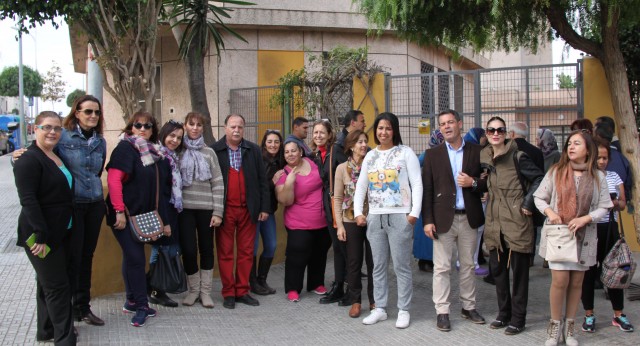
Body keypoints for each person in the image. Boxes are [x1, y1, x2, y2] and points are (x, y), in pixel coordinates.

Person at [13, 96, 108, 327]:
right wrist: (17, 157)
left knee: (86, 258)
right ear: (76, 113)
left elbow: (96, 172)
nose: (92, 116)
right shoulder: (62, 136)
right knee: (67, 263)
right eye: (87, 111)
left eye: (96, 112)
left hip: (94, 204)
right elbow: (40, 156)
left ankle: (82, 308)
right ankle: (56, 318)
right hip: (71, 207)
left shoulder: (100, 141)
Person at [534, 130, 613, 346]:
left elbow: (605, 206)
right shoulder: (556, 171)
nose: (571, 147)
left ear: (588, 149)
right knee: (560, 281)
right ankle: (554, 326)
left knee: (576, 283)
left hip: (584, 236)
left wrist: (586, 218)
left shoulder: (598, 176)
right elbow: (539, 197)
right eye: (569, 143)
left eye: (577, 144)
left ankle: (570, 327)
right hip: (560, 235)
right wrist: (551, 213)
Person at [354, 112, 423, 329]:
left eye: (388, 128)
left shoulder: (405, 153)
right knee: (378, 266)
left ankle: (404, 309)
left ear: (395, 130)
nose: (383, 132)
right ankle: (380, 308)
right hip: (375, 217)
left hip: (400, 216)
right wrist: (358, 212)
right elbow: (361, 186)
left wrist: (413, 214)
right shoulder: (370, 156)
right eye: (380, 128)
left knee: (401, 266)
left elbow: (417, 183)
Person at [14, 111, 77, 345]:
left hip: (61, 231)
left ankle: (46, 330)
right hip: (40, 235)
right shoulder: (29, 159)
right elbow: (28, 199)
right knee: (58, 287)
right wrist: (40, 234)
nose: (52, 132)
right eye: (47, 127)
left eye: (57, 128)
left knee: (46, 282)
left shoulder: (54, 155)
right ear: (35, 129)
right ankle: (65, 339)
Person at [422, 109, 487, 332]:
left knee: (468, 265)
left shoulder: (478, 152)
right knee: (441, 268)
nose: (447, 126)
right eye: (442, 124)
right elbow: (427, 190)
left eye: (451, 122)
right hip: (442, 219)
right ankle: (442, 311)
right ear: (440, 128)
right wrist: (427, 220)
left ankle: (468, 307)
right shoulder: (433, 155)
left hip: (469, 217)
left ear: (460, 124)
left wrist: (474, 183)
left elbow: (489, 183)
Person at [106, 111, 173, 327]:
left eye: (148, 126)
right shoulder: (126, 148)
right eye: (138, 125)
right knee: (136, 258)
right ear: (130, 127)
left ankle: (131, 300)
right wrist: (118, 211)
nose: (142, 129)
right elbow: (114, 180)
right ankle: (143, 306)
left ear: (154, 130)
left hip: (143, 216)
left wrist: (165, 219)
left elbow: (160, 191)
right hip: (123, 214)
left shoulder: (157, 155)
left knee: (131, 256)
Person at [480, 117, 544, 335]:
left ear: (507, 133)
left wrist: (528, 203)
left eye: (500, 130)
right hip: (495, 224)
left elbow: (540, 180)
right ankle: (503, 313)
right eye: (491, 130)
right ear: (487, 133)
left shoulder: (518, 156)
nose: (495, 133)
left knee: (519, 275)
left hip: (517, 223)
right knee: (498, 272)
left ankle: (518, 318)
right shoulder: (486, 157)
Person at [212, 114, 270, 309]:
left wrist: (263, 207)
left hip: (249, 210)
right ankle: (228, 292)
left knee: (246, 253)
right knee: (225, 252)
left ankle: (242, 291)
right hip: (225, 210)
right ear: (225, 127)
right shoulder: (215, 150)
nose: (236, 130)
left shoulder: (253, 150)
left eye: (240, 127)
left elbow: (263, 181)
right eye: (232, 127)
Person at [580, 138, 634, 333]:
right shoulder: (585, 177)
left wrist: (613, 202)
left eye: (605, 158)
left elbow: (622, 202)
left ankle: (618, 314)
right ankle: (588, 314)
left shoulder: (614, 177)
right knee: (588, 273)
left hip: (610, 228)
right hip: (590, 229)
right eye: (599, 158)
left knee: (615, 270)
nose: (602, 161)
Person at [276, 139, 332, 302]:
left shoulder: (313, 163)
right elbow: (285, 201)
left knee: (319, 253)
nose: (290, 154)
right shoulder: (284, 174)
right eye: (286, 152)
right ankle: (293, 288)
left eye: (293, 150)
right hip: (298, 224)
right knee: (297, 254)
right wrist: (289, 184)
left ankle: (316, 283)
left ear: (301, 151)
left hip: (322, 220)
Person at [178, 112, 224, 308]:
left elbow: (218, 182)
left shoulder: (209, 153)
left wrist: (218, 212)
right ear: (185, 126)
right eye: (191, 124)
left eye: (199, 125)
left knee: (206, 250)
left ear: (203, 128)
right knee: (188, 250)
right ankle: (193, 290)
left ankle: (205, 292)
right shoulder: (177, 151)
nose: (195, 128)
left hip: (207, 210)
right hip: (184, 210)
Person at [334, 129, 374, 318]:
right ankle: (356, 300)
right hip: (350, 219)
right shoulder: (342, 168)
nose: (364, 145)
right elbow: (338, 198)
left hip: (373, 218)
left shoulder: (373, 165)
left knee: (375, 262)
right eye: (359, 142)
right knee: (354, 261)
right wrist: (340, 225)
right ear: (351, 146)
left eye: (365, 141)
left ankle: (375, 300)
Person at [310, 119, 349, 305]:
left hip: (339, 205)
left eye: (322, 132)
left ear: (329, 134)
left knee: (344, 247)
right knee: (338, 247)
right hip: (329, 205)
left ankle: (347, 287)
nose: (318, 136)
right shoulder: (318, 154)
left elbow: (348, 175)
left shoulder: (336, 152)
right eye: (315, 132)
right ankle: (340, 286)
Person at [147, 120, 185, 308]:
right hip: (162, 210)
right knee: (160, 249)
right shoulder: (158, 156)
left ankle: (155, 288)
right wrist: (165, 221)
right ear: (163, 134)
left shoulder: (172, 157)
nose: (175, 140)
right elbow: (158, 190)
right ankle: (155, 289)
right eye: (172, 136)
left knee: (165, 249)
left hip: (171, 208)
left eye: (179, 137)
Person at [250, 129, 285, 295]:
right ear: (264, 143)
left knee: (271, 245)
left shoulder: (280, 161)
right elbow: (257, 187)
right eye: (270, 141)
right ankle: (252, 282)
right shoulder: (258, 159)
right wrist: (272, 181)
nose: (273, 145)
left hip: (270, 210)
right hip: (256, 211)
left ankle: (262, 279)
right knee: (253, 247)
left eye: (276, 142)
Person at [414, 130, 445, 273]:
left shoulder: (438, 154)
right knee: (425, 230)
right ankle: (425, 261)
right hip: (426, 196)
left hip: (434, 196)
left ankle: (429, 259)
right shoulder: (427, 155)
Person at [461, 128, 489, 277]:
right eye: (484, 135)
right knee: (476, 232)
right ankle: (471, 262)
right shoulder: (474, 153)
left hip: (475, 195)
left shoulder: (470, 150)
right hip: (474, 197)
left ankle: (468, 261)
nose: (485, 138)